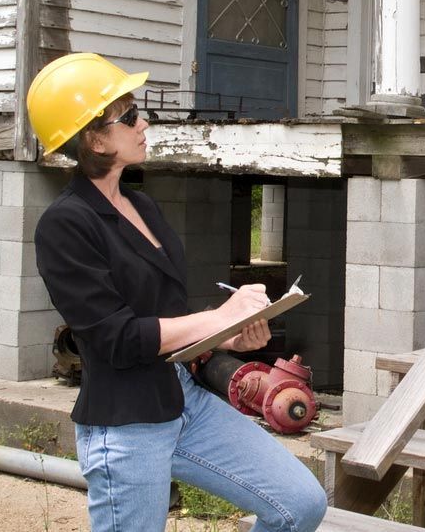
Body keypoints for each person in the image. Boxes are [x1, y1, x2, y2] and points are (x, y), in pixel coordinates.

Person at [27, 52, 327, 532]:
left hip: (184, 401)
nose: (143, 123)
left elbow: (166, 316)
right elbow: (117, 338)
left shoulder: (142, 205)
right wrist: (219, 317)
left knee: (301, 502)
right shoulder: (65, 224)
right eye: (127, 117)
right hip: (126, 424)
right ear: (94, 138)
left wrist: (228, 336)